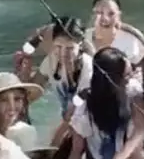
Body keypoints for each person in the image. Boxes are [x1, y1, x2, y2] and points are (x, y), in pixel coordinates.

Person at [15, 16, 94, 146]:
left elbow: (72, 116)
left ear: (80, 45)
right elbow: (30, 95)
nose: (63, 53)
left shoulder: (89, 70)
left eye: (69, 48)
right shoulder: (51, 61)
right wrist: (25, 71)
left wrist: (53, 147)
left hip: (90, 127)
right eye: (58, 46)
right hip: (70, 125)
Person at [68, 47, 138, 159]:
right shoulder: (85, 109)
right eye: (127, 75)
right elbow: (76, 151)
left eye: (132, 72)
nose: (131, 79)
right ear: (111, 80)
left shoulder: (134, 93)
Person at [86, 0, 144, 69]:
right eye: (99, 13)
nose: (105, 18)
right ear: (93, 14)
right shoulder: (83, 39)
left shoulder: (130, 40)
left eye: (111, 13)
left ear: (118, 15)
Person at [0, 72, 43, 138]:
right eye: (4, 100)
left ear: (24, 103)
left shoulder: (29, 133)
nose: (12, 107)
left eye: (17, 99)